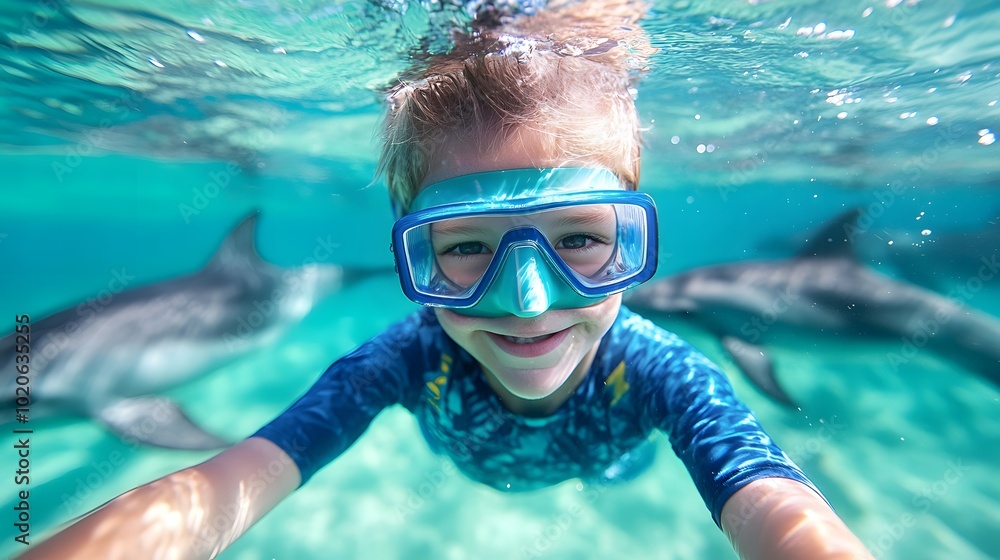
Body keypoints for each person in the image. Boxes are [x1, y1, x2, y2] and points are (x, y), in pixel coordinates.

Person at [18, 1, 874, 558]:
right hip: (474, 464)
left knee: (617, 473)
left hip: (613, 463)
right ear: (412, 261)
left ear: (635, 236)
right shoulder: (401, 357)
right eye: (464, 250)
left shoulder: (664, 373)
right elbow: (220, 486)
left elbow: (777, 509)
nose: (527, 301)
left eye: (580, 240)